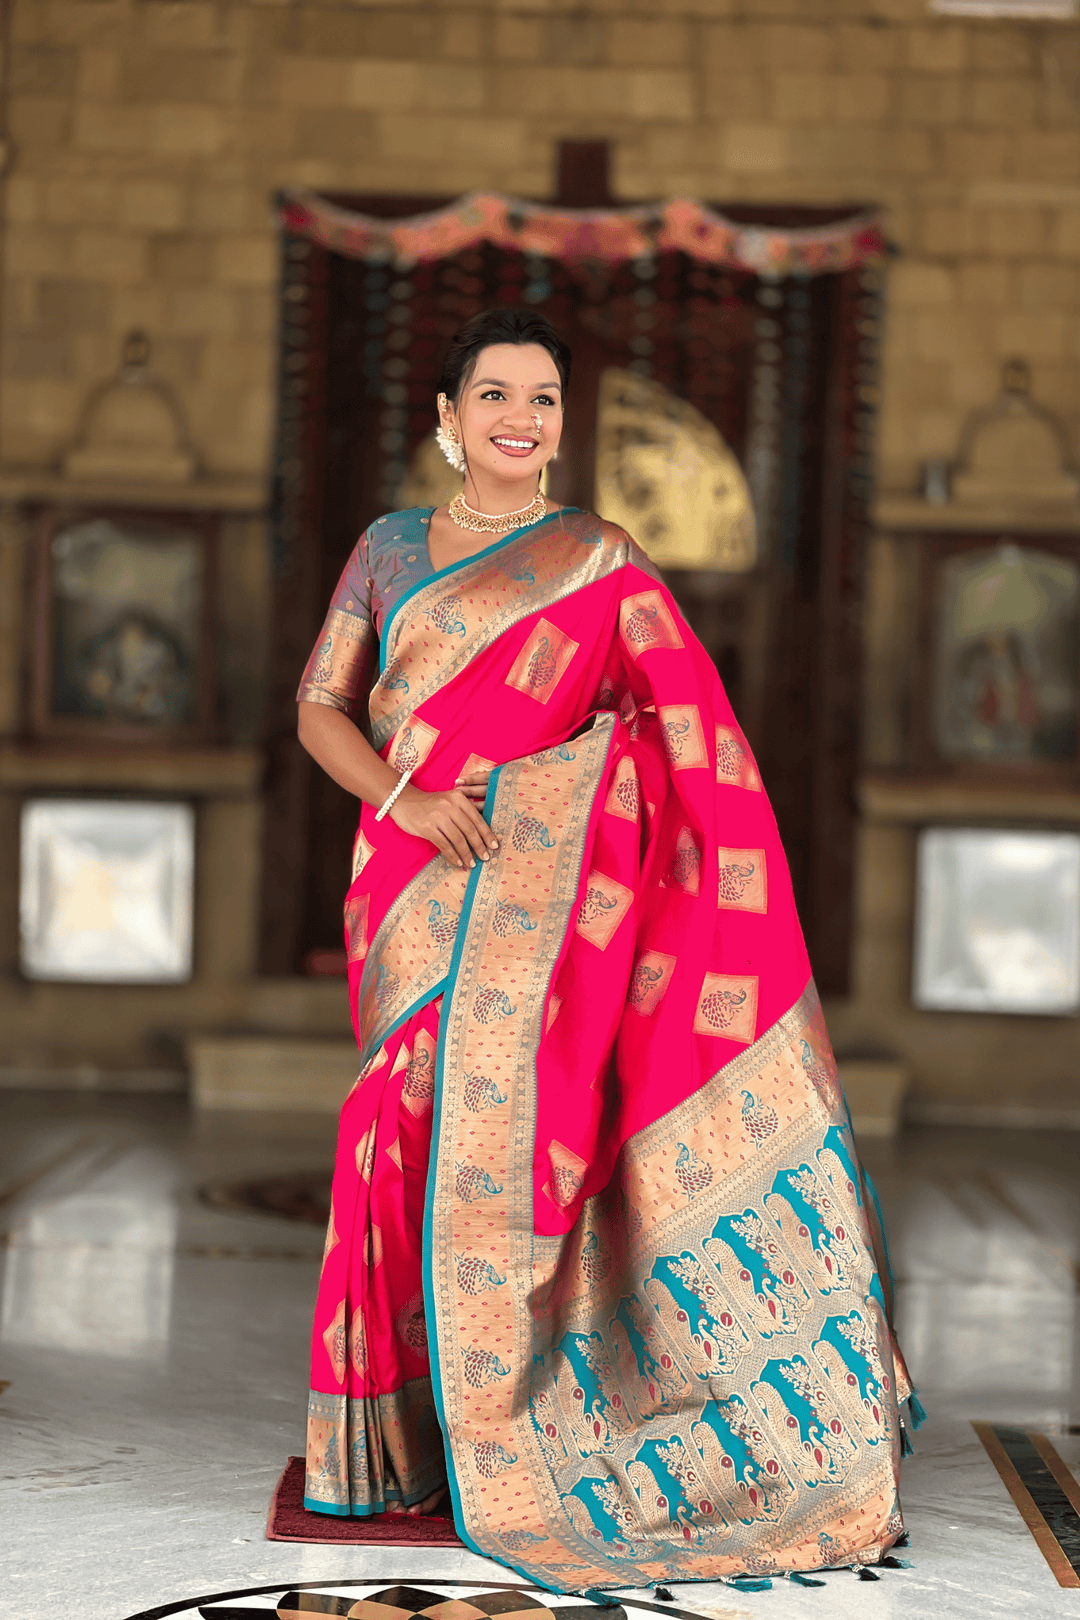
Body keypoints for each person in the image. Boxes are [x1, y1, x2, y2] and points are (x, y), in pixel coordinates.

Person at [296, 307, 916, 1590]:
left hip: (538, 898)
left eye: (542, 398)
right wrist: (409, 798)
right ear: (448, 417)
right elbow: (321, 709)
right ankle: (385, 1441)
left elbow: (679, 732)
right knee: (389, 1124)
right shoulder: (387, 548)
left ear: (562, 422)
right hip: (410, 879)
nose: (520, 418)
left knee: (505, 1143)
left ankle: (504, 1415)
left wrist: (556, 796)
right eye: (495, 395)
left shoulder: (599, 560)